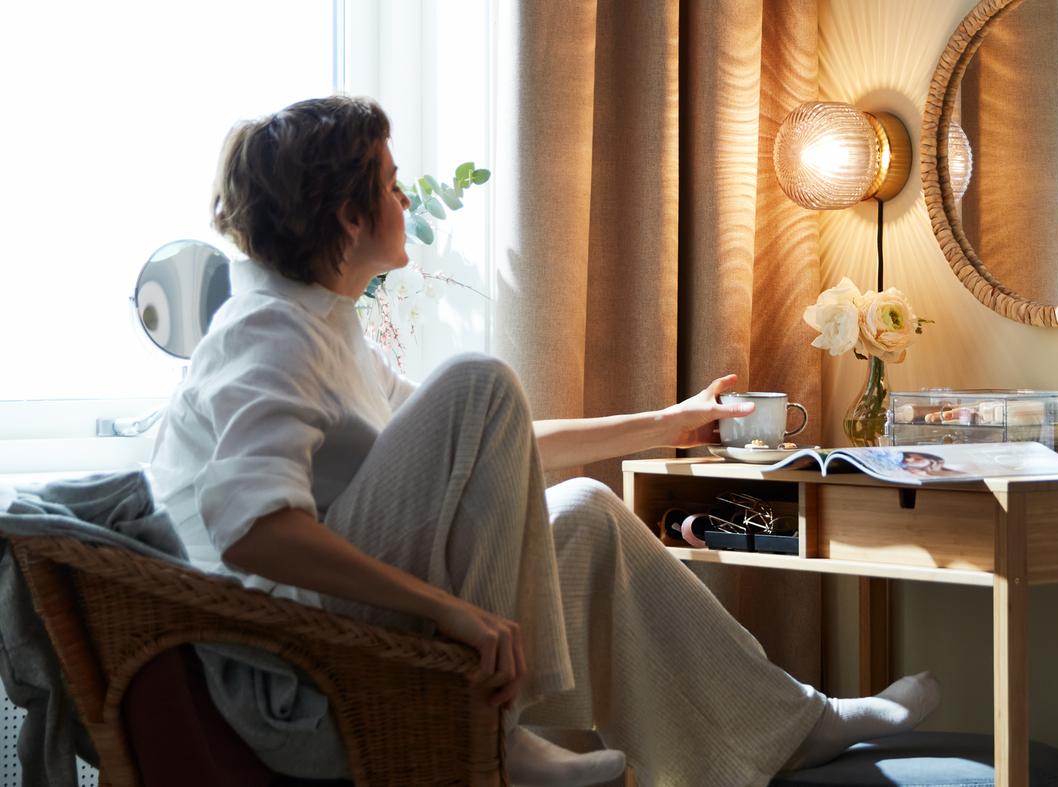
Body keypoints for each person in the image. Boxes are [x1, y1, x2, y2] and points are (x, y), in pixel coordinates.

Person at [148, 95, 940, 786]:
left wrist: (667, 423)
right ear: (350, 216)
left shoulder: (324, 325)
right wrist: (452, 612)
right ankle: (486, 732)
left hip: (350, 635)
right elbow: (251, 529)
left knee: (587, 509)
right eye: (389, 185)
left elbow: (494, 443)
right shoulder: (266, 333)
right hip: (292, 674)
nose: (400, 196)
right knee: (480, 380)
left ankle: (796, 725)